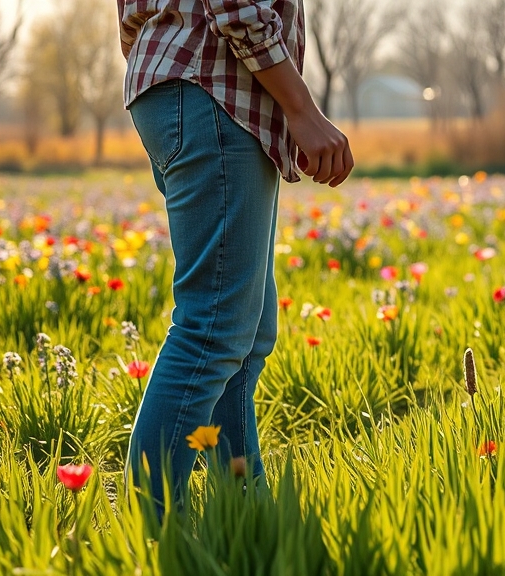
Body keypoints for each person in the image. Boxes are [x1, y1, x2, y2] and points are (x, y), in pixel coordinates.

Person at [117, 0, 352, 516]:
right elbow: (237, 6)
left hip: (176, 87)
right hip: (214, 91)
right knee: (214, 331)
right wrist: (302, 111)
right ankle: (151, 529)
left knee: (244, 336)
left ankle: (245, 510)